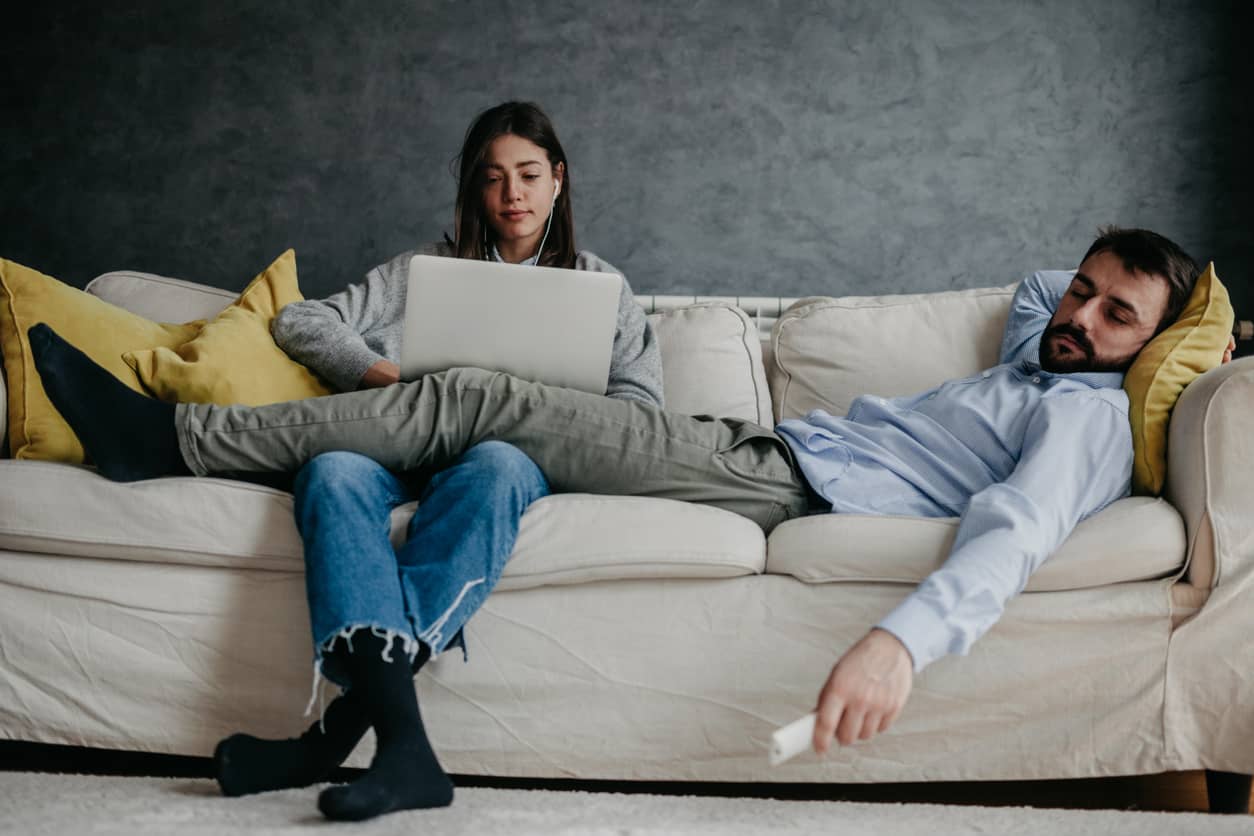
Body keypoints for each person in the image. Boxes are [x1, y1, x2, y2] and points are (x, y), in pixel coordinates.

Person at [27, 227, 1223, 807]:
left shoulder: (1090, 419)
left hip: (781, 479)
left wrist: (901, 637)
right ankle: (372, 722)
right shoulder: (1047, 352)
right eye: (1085, 291)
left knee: (475, 397)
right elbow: (1034, 293)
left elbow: (1016, 527)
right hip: (766, 453)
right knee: (459, 422)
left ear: (1147, 345)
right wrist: (1133, 315)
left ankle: (167, 442)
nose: (1081, 317)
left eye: (1120, 317)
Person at [195, 101, 665, 822]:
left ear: (558, 181)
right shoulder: (425, 272)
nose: (513, 194)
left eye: (530, 175)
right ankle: (395, 750)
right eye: (494, 178)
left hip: (508, 457)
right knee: (329, 469)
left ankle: (330, 742)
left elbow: (641, 410)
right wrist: (387, 379)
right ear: (475, 190)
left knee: (499, 464)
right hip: (402, 444)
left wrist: (548, 415)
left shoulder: (604, 288)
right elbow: (301, 319)